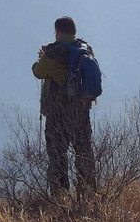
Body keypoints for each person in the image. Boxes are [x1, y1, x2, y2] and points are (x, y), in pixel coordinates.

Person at [32, 15, 97, 195]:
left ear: (58, 32)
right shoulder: (85, 49)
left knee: (57, 156)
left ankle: (60, 197)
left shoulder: (53, 54)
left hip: (57, 114)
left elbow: (38, 71)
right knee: (84, 152)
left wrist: (41, 58)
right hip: (80, 112)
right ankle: (89, 193)